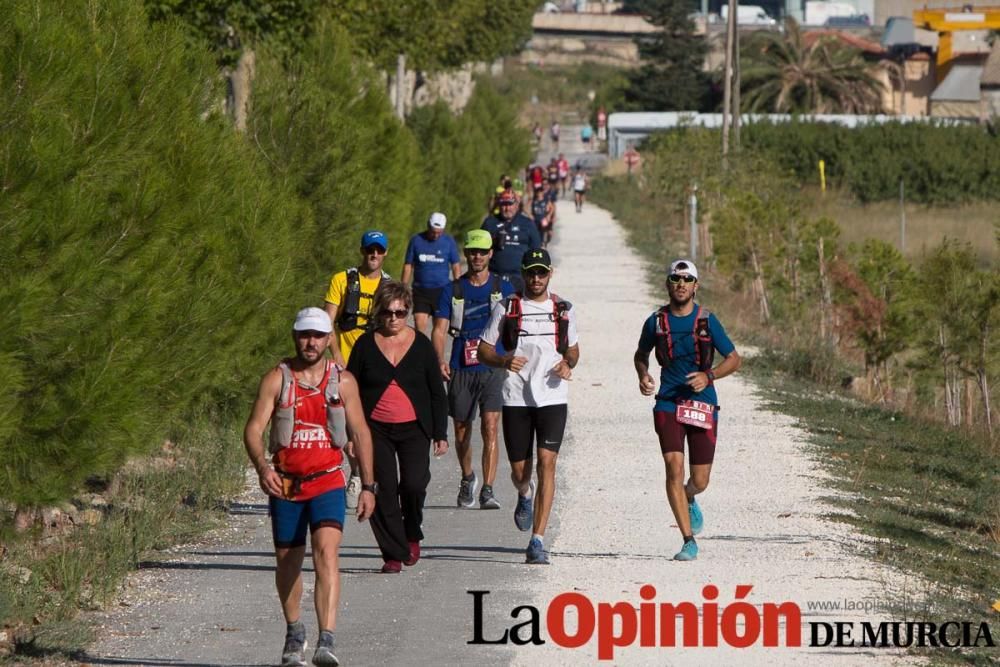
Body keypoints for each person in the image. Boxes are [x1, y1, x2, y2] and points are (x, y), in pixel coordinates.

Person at [243, 307, 376, 667]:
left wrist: (368, 485)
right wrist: (262, 466)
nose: (311, 342)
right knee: (288, 561)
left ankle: (326, 640)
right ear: (295, 337)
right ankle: (294, 631)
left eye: (318, 336)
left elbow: (361, 432)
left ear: (329, 339)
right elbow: (254, 429)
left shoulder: (343, 381)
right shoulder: (277, 379)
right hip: (286, 485)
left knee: (326, 552)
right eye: (305, 335)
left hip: (328, 480)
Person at [633, 260, 741, 562]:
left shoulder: (707, 320)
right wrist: (643, 375)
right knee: (673, 469)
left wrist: (709, 376)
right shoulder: (655, 322)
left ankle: (689, 495)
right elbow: (641, 354)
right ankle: (687, 540)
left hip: (703, 403)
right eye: (675, 279)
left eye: (687, 280)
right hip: (668, 402)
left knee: (700, 480)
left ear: (696, 286)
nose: (681, 284)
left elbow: (734, 358)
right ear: (668, 284)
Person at [478, 249, 580, 565]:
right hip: (516, 396)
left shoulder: (563, 309)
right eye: (531, 273)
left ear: (550, 273)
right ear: (523, 274)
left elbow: (573, 350)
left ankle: (537, 540)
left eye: (542, 273)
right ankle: (524, 493)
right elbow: (483, 350)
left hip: (552, 396)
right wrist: (503, 359)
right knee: (520, 472)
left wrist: (568, 364)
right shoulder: (507, 307)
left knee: (547, 463)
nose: (536, 279)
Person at [347, 281, 449, 574]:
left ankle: (412, 531)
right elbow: (349, 389)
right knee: (383, 489)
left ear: (408, 311)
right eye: (388, 313)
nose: (394, 318)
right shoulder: (365, 345)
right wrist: (351, 435)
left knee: (414, 484)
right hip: (375, 429)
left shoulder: (421, 345)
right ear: (379, 312)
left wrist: (440, 433)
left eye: (401, 312)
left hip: (414, 427)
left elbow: (435, 392)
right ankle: (393, 552)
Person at [432, 230, 516, 510]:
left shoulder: (503, 289)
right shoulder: (452, 289)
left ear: (491, 253)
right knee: (461, 430)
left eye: (482, 251)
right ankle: (468, 477)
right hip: (460, 365)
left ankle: (488, 490)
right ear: (466, 254)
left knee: (491, 427)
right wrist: (439, 360)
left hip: (492, 366)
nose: (477, 257)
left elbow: (516, 328)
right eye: (473, 252)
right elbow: (440, 329)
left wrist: (513, 358)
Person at [324, 230, 390, 509]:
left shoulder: (389, 287)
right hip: (345, 362)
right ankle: (357, 472)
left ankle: (366, 475)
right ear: (362, 251)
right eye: (369, 250)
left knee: (370, 423)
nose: (373, 255)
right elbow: (326, 322)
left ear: (385, 253)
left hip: (375, 362)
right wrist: (336, 354)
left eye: (378, 250)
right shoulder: (342, 280)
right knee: (346, 423)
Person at [401, 212, 461, 337]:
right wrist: (403, 287)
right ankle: (422, 353)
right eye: (433, 231)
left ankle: (437, 356)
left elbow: (456, 265)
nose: (436, 235)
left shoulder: (448, 241)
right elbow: (408, 265)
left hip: (442, 290)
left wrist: (458, 285)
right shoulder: (416, 240)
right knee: (419, 324)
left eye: (439, 232)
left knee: (439, 330)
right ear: (428, 226)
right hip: (421, 290)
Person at [481, 189, 541, 293]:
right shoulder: (489, 222)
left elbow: (536, 251)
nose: (507, 208)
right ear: (499, 205)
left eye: (510, 204)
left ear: (517, 205)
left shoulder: (527, 224)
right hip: (494, 276)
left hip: (519, 277)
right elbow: (479, 249)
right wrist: (494, 240)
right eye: (504, 204)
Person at [531, 182, 556, 248]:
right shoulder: (533, 201)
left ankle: (544, 242)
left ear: (542, 193)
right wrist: (530, 215)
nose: (539, 194)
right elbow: (525, 207)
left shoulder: (546, 200)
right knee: (536, 232)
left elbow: (552, 208)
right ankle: (539, 243)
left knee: (544, 231)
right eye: (538, 192)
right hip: (535, 219)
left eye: (540, 192)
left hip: (543, 219)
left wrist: (549, 215)